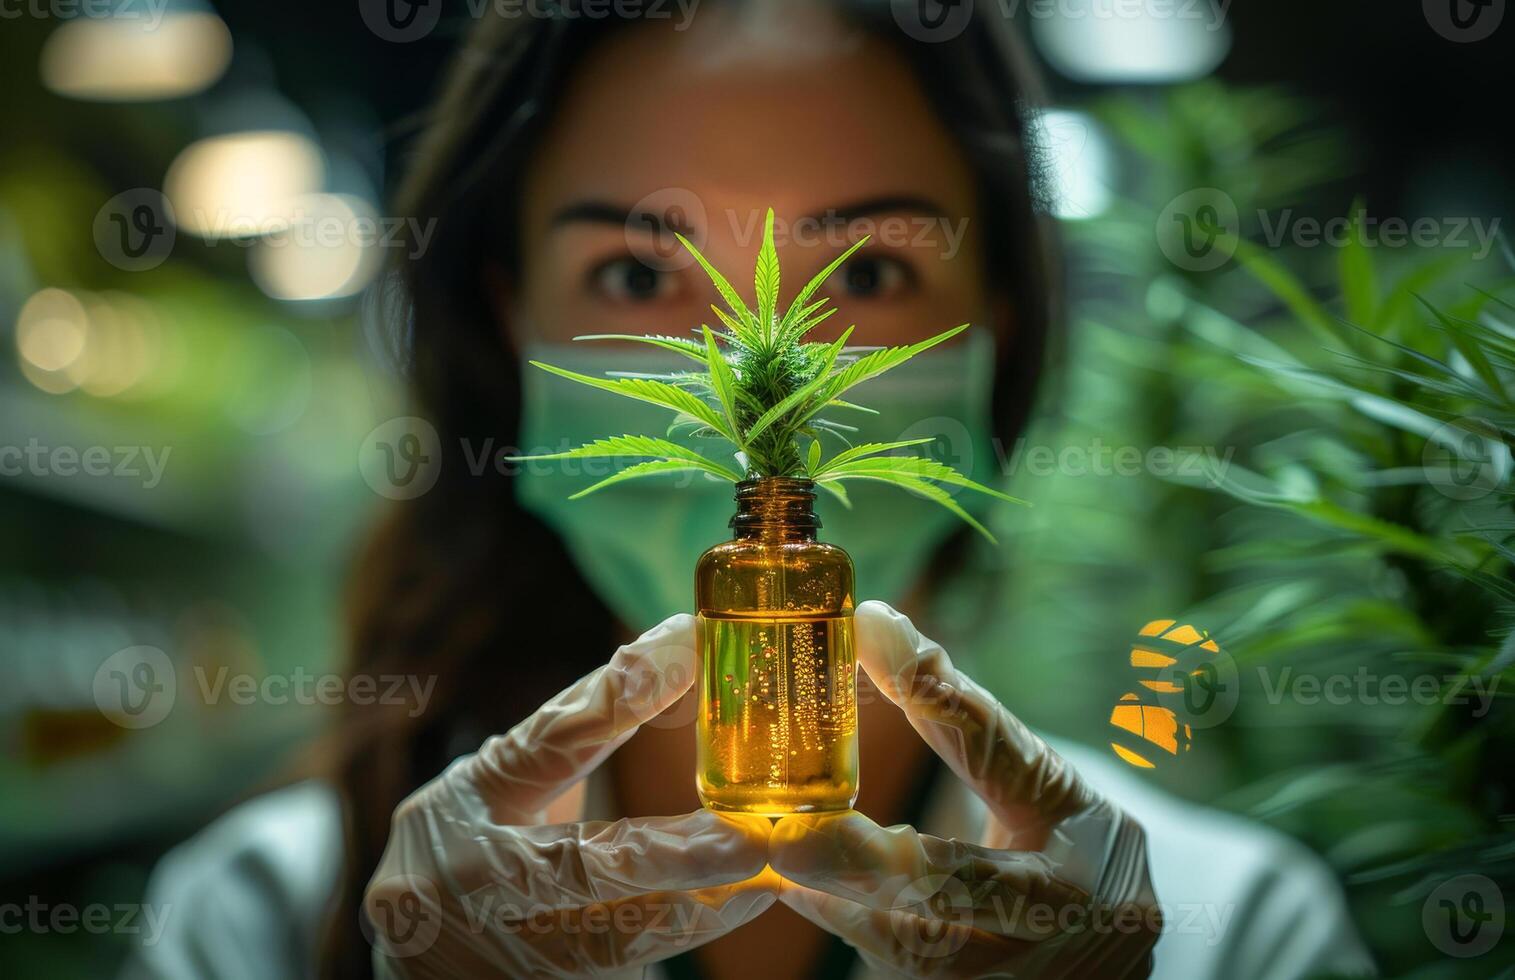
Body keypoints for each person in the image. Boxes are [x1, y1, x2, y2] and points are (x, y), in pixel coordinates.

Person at [122, 2, 1378, 978]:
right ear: (509, 323)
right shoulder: (266, 920)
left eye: (876, 272)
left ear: (1001, 323)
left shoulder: (1232, 930)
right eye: (632, 276)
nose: (740, 377)